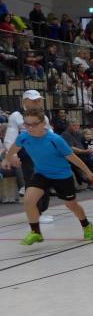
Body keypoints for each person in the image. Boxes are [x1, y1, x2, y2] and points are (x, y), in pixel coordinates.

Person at [1, 110, 93, 245]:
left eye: (34, 124)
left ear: (43, 124)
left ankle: (86, 225)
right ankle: (36, 232)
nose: (30, 128)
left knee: (71, 204)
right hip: (41, 174)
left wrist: (87, 171)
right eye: (27, 124)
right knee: (28, 200)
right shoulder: (23, 137)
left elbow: (72, 157)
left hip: (62, 176)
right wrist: (7, 159)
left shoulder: (55, 140)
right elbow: (14, 148)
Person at [4, 90, 53, 219]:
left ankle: (42, 209)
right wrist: (12, 155)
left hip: (44, 152)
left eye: (38, 100)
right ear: (25, 101)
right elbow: (10, 137)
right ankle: (36, 212)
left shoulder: (44, 117)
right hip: (27, 153)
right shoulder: (16, 116)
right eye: (34, 100)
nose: (37, 103)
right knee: (33, 181)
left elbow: (51, 134)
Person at [61, 118, 93, 188]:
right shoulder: (65, 134)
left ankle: (92, 181)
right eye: (74, 125)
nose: (76, 127)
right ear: (68, 126)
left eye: (78, 125)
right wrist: (84, 151)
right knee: (88, 162)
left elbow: (87, 138)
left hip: (83, 154)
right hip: (73, 156)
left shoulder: (78, 133)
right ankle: (88, 181)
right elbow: (71, 148)